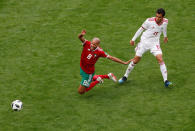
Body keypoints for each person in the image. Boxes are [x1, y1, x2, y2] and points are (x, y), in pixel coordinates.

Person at [118, 8, 173, 87]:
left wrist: (165, 36)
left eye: (159, 17)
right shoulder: (149, 21)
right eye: (156, 16)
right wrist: (133, 39)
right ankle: (125, 76)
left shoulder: (165, 21)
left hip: (155, 43)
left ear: (163, 17)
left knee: (160, 59)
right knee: (136, 60)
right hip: (144, 42)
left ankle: (166, 81)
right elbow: (140, 29)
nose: (157, 18)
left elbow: (164, 28)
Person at [78, 30, 131, 94]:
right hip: (82, 67)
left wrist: (124, 62)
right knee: (85, 81)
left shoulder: (99, 52)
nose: (92, 45)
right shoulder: (87, 44)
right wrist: (81, 34)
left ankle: (100, 79)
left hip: (88, 73)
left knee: (81, 91)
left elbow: (111, 58)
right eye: (92, 43)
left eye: (94, 44)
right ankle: (102, 77)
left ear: (98, 45)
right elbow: (80, 37)